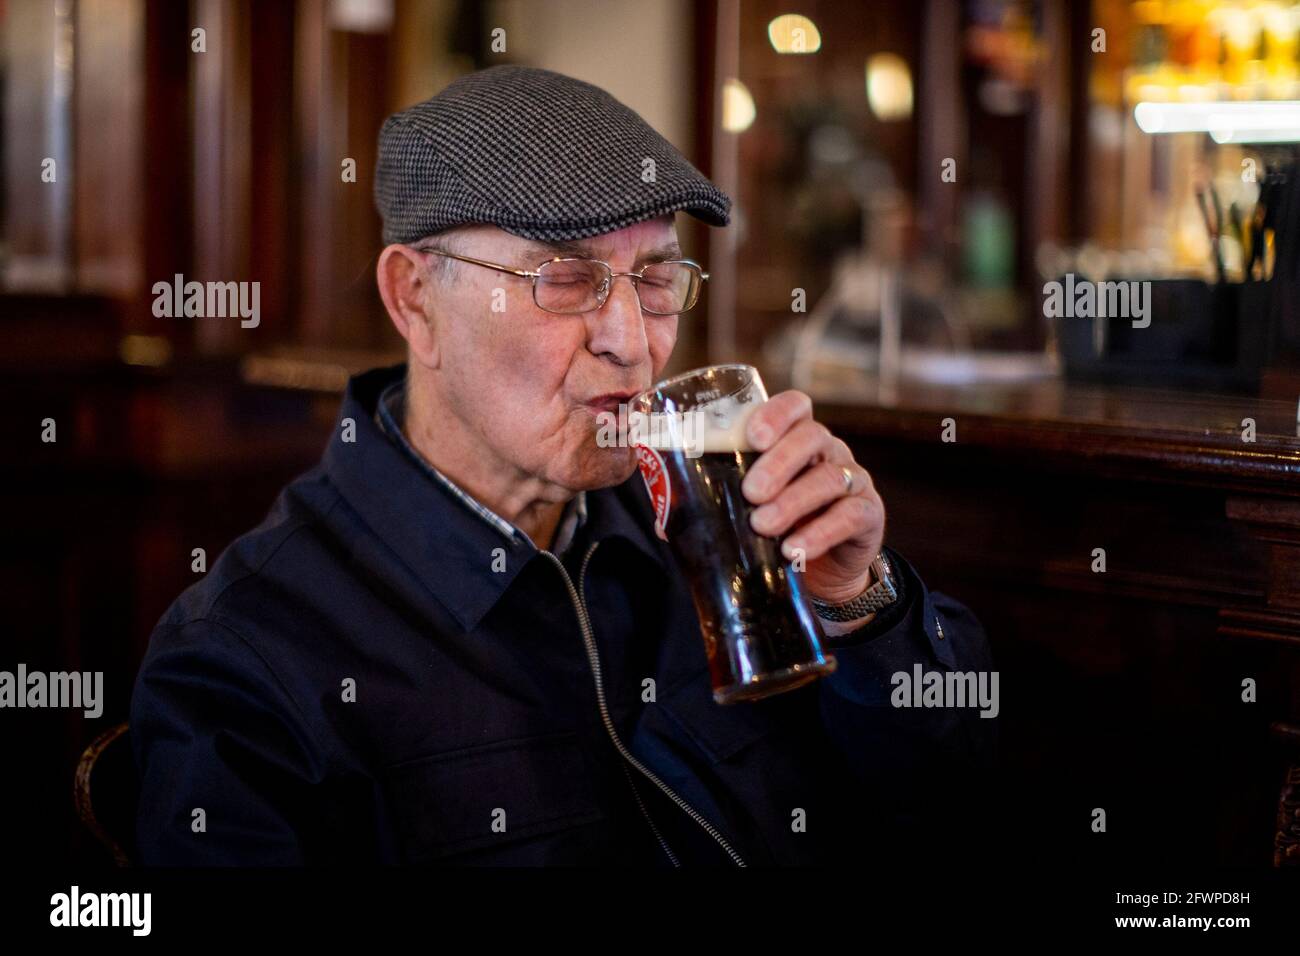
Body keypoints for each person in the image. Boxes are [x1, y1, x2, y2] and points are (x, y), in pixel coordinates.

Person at [131, 65, 996, 865]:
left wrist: (862, 608)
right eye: (566, 278)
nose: (630, 343)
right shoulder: (248, 656)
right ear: (414, 298)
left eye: (655, 280)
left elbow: (949, 811)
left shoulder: (706, 539)